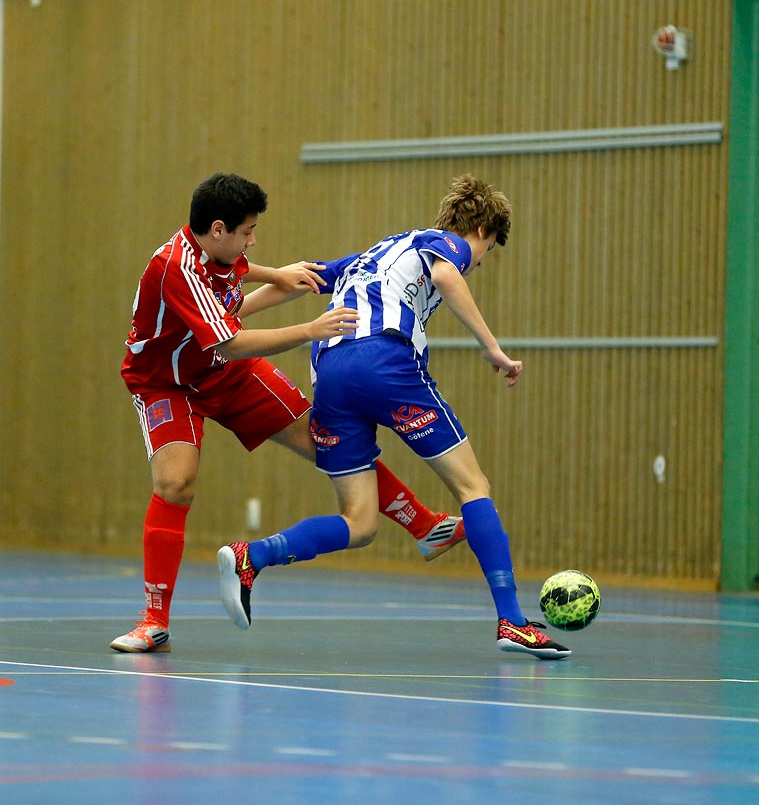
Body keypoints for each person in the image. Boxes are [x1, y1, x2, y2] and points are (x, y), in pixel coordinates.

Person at [216, 175, 571, 660]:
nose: (476, 263)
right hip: (384, 362)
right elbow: (447, 276)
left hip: (331, 373)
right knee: (473, 487)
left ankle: (251, 557)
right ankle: (511, 620)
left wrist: (229, 318)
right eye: (484, 254)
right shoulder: (443, 243)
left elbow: (293, 282)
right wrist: (494, 349)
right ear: (483, 229)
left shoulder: (369, 255)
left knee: (360, 523)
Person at [112, 173, 469, 654]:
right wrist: (309, 328)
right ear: (218, 229)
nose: (252, 239)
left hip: (222, 370)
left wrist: (276, 274)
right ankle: (153, 620)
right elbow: (232, 339)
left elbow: (235, 283)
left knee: (326, 438)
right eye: (248, 230)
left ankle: (424, 525)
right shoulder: (174, 268)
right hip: (167, 382)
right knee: (176, 482)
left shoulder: (218, 250)